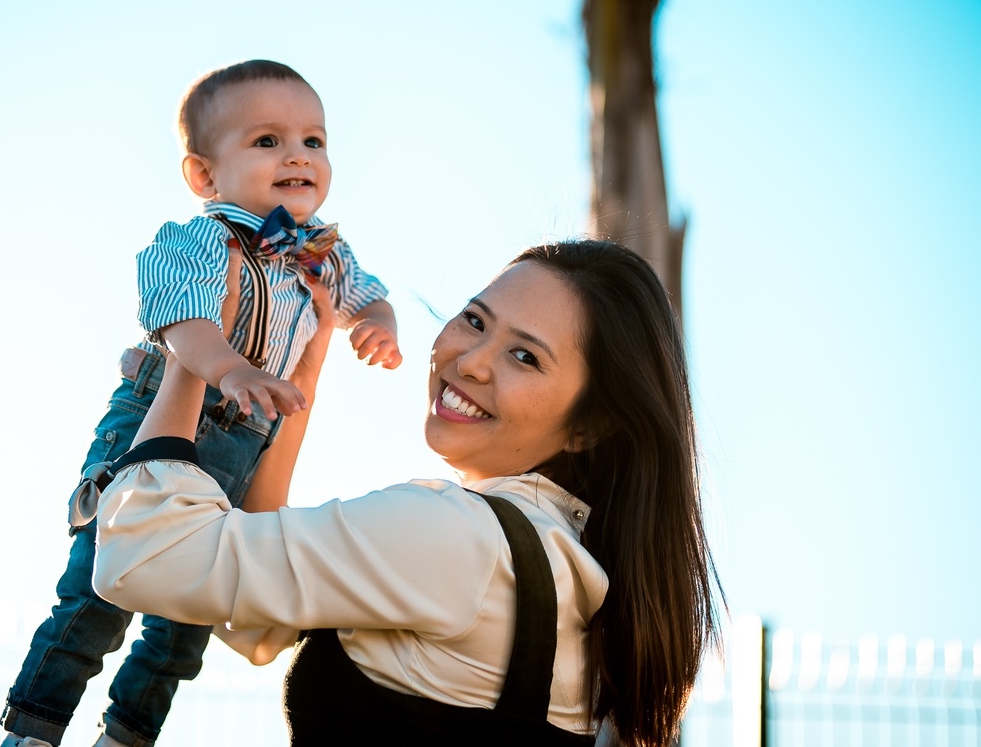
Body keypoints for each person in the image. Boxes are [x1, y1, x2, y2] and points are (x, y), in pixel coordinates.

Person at [91, 239, 725, 747]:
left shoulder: (460, 536)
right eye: (474, 320)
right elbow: (259, 620)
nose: (472, 361)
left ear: (589, 426)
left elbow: (143, 558)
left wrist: (194, 347)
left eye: (525, 357)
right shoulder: (558, 562)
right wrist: (303, 381)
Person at [0, 60, 401, 747]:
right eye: (268, 140)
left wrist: (378, 325)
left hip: (243, 439)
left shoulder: (322, 254)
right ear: (205, 176)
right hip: (160, 414)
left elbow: (368, 297)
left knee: (189, 614)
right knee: (98, 592)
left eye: (313, 140)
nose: (298, 155)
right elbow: (183, 321)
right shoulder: (201, 238)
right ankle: (35, 727)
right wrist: (232, 367)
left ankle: (127, 734)